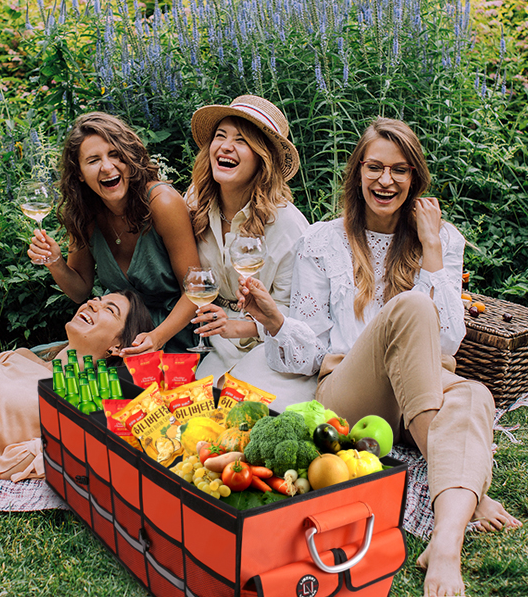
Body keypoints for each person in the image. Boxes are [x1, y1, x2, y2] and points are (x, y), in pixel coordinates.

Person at [238, 117, 522, 597]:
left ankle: (446, 542)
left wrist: (431, 248)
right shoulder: (323, 242)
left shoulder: (443, 240)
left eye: (400, 170)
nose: (386, 180)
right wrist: (276, 321)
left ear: (415, 179)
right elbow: (307, 353)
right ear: (358, 173)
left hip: (424, 385)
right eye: (374, 167)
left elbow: (449, 342)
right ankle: (469, 486)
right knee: (412, 306)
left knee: (474, 391)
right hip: (353, 392)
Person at [0, 290, 153, 482]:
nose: (93, 303)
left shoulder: (78, 400)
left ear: (119, 345)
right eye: (97, 299)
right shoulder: (19, 356)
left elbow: (15, 463)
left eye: (110, 309)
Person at [28, 111, 199, 353]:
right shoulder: (84, 214)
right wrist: (55, 262)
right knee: (35, 364)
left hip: (172, 334)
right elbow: (80, 291)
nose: (107, 167)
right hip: (111, 337)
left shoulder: (162, 203)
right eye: (93, 160)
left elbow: (195, 291)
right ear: (79, 173)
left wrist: (157, 338)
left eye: (115, 155)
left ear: (130, 158)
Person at [184, 95, 311, 408]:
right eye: (220, 136)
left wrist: (238, 326)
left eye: (241, 141)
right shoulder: (197, 203)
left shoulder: (287, 226)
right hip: (217, 343)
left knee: (247, 412)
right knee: (198, 413)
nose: (226, 147)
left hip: (272, 346)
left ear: (262, 159)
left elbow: (297, 319)